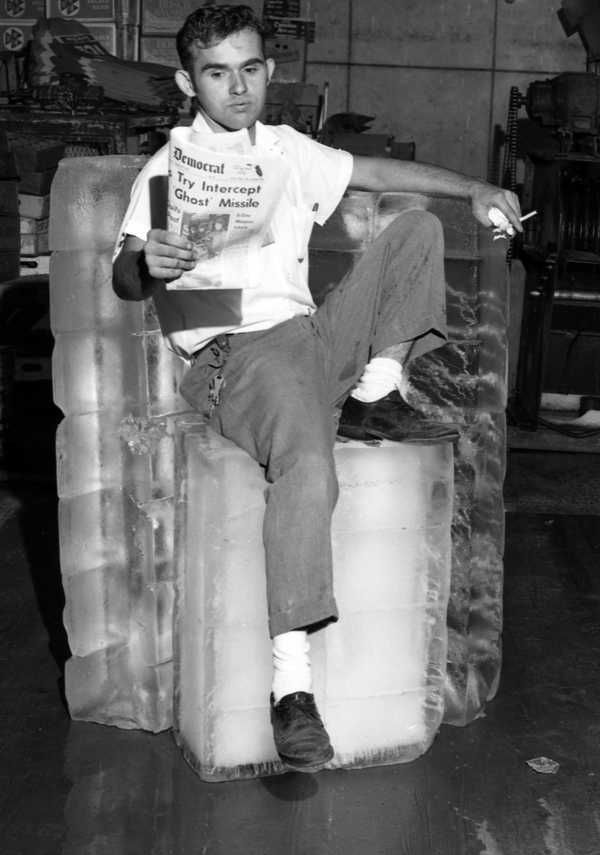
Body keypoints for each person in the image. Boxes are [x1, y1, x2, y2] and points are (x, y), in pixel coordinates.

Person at [112, 4, 522, 774]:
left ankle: (376, 389)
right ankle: (291, 687)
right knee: (305, 450)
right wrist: (150, 266)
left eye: (251, 67)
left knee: (417, 231)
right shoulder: (170, 166)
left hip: (307, 340)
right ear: (187, 81)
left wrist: (472, 186)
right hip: (234, 355)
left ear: (271, 70)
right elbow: (124, 274)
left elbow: (375, 174)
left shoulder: (287, 149)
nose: (238, 87)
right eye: (216, 72)